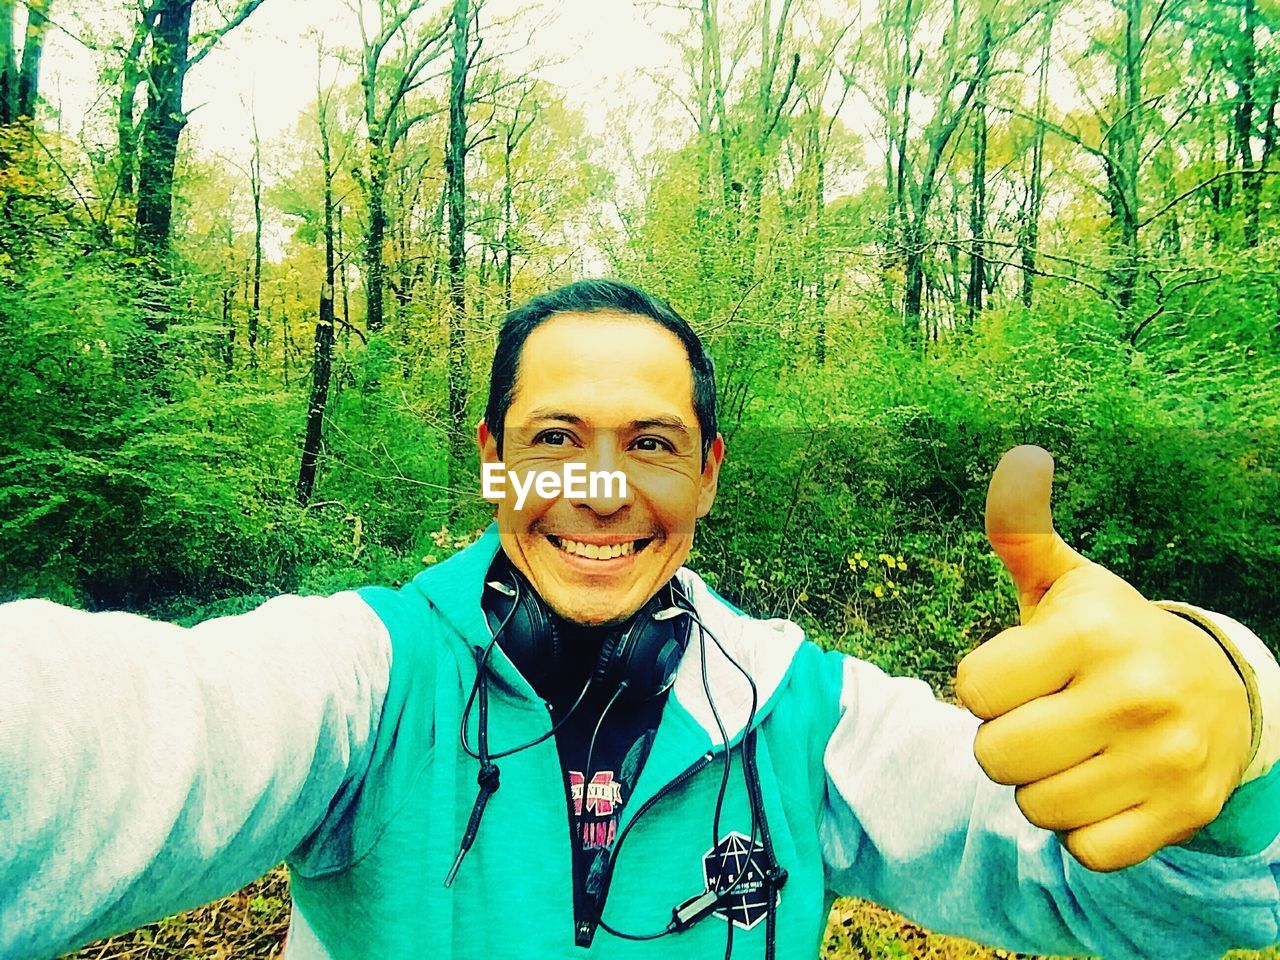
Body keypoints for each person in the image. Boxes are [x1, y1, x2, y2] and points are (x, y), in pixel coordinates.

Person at [2, 278, 1278, 960]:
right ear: (492, 459)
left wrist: (1236, 708)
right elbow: (111, 734)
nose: (600, 488)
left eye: (650, 445)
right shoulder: (355, 684)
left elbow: (1134, 906)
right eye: (554, 439)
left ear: (708, 473)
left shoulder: (807, 720)